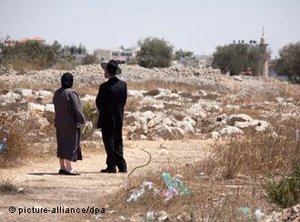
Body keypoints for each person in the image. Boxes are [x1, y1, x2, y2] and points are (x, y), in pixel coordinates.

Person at [96, 60, 127, 173]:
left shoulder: (104, 87)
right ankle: (122, 166)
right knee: (118, 141)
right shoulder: (123, 85)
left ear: (107, 71)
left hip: (106, 119)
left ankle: (112, 166)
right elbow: (123, 101)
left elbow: (99, 103)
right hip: (118, 118)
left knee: (109, 142)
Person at [53, 73, 86, 175]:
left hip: (59, 122)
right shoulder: (71, 93)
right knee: (70, 144)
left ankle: (62, 167)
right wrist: (83, 120)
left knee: (62, 144)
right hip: (70, 123)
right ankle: (69, 168)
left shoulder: (57, 92)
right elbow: (77, 109)